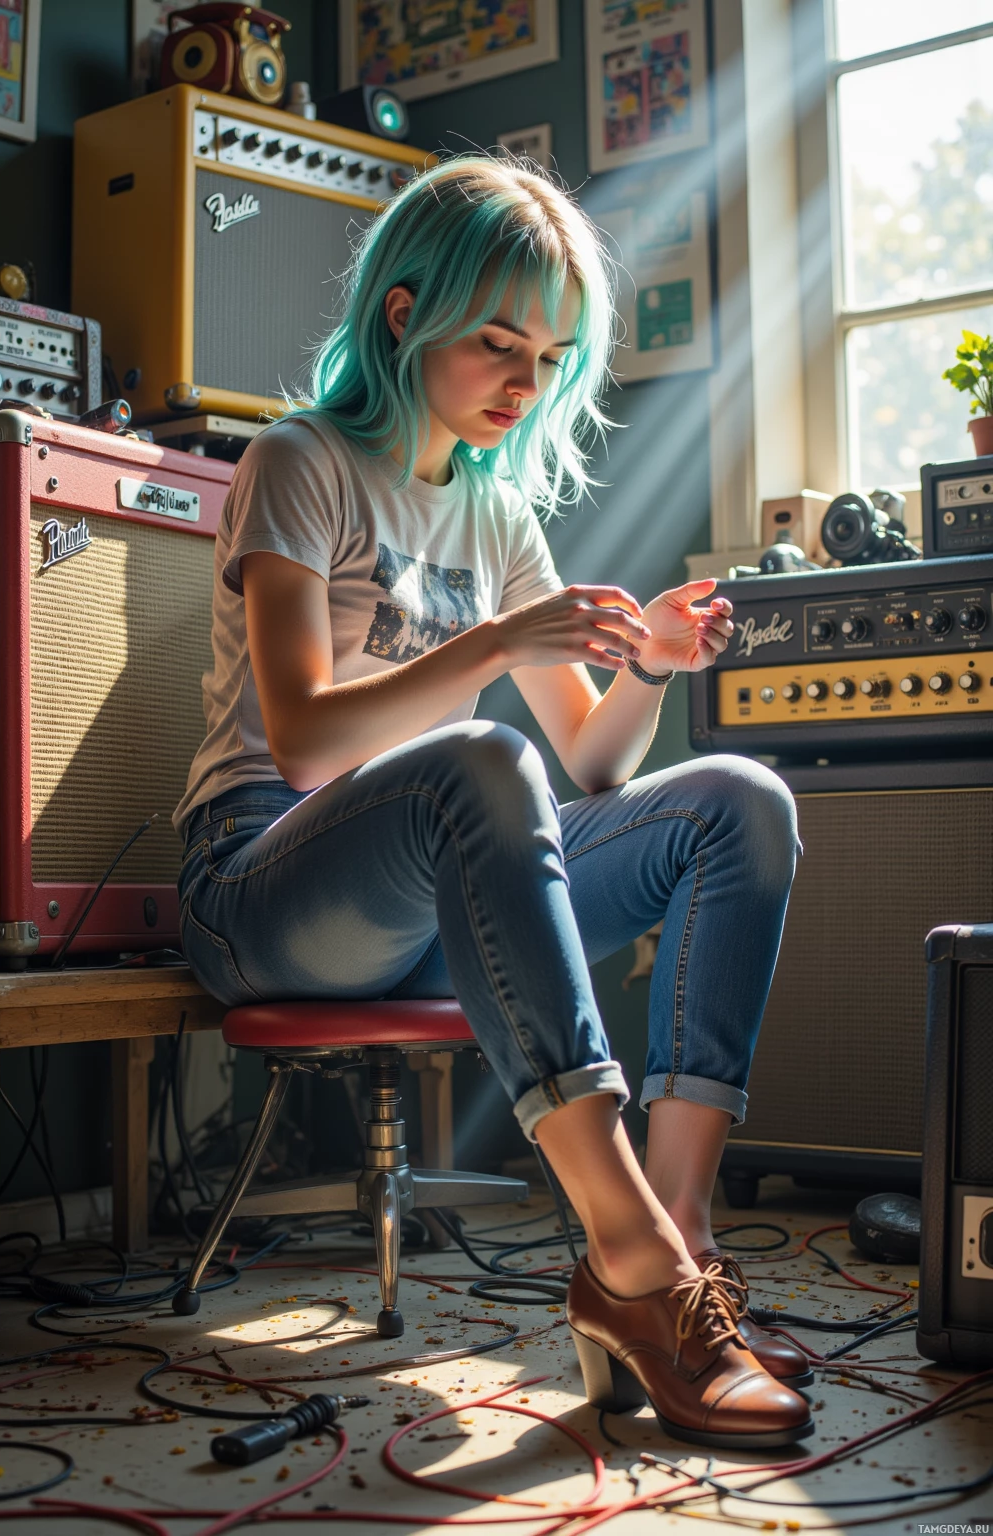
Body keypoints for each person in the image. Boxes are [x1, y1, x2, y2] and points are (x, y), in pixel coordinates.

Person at [174, 155, 812, 1450]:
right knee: (481, 757)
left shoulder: (499, 509)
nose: (526, 386)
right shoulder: (300, 463)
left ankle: (677, 1245)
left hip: (428, 885)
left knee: (736, 797)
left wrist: (644, 668)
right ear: (406, 317)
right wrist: (497, 645)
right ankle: (627, 1253)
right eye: (499, 346)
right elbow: (299, 740)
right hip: (261, 886)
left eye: (551, 356)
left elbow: (587, 769)